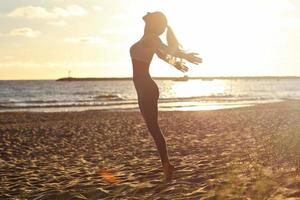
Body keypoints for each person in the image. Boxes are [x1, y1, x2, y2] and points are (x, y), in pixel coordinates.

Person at [130, 11, 202, 181]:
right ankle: (166, 165)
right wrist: (177, 64)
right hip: (144, 88)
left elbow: (164, 50)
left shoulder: (152, 39)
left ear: (153, 24)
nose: (146, 23)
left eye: (150, 22)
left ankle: (167, 166)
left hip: (146, 88)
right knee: (153, 129)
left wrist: (185, 57)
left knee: (154, 129)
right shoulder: (148, 39)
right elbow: (163, 56)